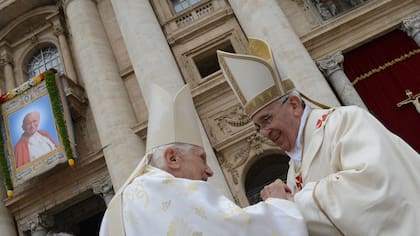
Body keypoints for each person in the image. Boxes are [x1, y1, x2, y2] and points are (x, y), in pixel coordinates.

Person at [218, 38, 420, 235]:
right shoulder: (292, 172)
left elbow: (375, 186)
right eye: (258, 127)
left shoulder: (345, 122)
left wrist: (291, 205)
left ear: (294, 105)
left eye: (267, 119)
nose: (264, 132)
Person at [99, 83, 308, 236]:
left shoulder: (120, 208)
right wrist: (278, 205)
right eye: (201, 158)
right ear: (172, 158)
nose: (209, 171)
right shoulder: (165, 190)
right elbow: (236, 230)